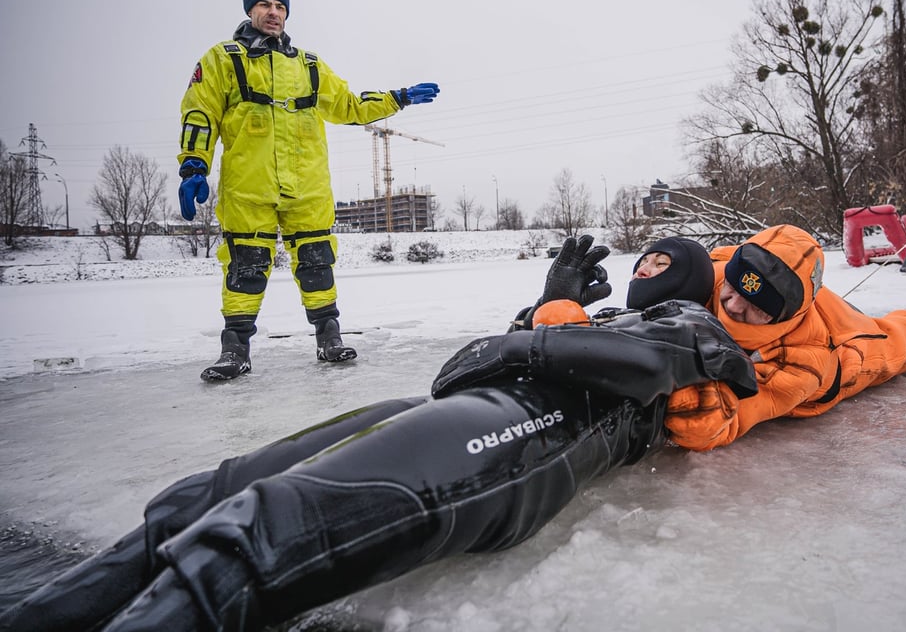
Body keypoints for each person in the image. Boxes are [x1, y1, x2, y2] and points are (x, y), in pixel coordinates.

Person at [0, 237, 755, 632]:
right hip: (492, 404)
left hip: (540, 433)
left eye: (668, 261)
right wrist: (543, 309)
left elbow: (651, 364)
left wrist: (521, 344)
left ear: (688, 284)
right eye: (647, 256)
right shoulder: (609, 320)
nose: (650, 266)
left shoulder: (689, 323)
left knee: (268, 532)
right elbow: (512, 362)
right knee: (203, 499)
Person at [177, 0, 441, 381]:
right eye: (265, 5)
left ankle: (328, 337)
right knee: (245, 267)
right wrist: (194, 165)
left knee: (317, 262)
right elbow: (199, 113)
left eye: (280, 7)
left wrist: (400, 97)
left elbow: (349, 105)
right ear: (250, 11)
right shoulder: (222, 60)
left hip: (308, 187)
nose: (273, 13)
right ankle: (235, 349)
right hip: (249, 187)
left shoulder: (309, 65)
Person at [660, 224, 906, 451]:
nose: (733, 305)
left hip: (847, 346)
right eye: (734, 288)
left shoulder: (807, 359)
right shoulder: (719, 272)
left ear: (780, 312)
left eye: (755, 305)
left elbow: (746, 407)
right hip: (804, 298)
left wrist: (704, 413)